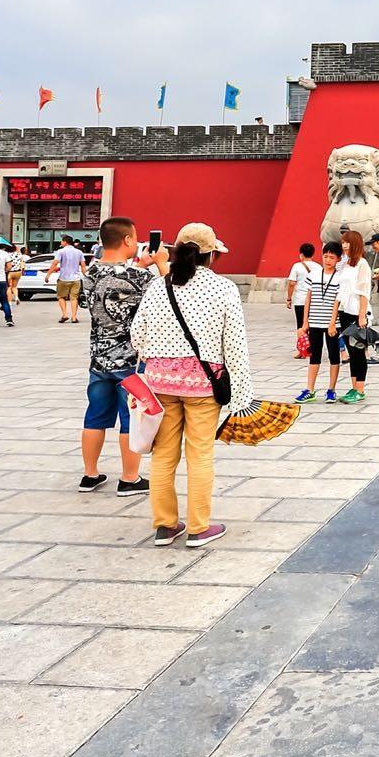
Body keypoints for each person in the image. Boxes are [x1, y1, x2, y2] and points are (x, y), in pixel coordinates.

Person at [130, 222, 252, 548]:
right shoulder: (224, 289)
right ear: (212, 256)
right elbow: (235, 345)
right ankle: (199, 527)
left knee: (163, 456)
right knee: (200, 455)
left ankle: (165, 525)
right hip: (203, 384)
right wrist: (241, 394)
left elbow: (136, 337)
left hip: (160, 384)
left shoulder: (158, 286)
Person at [78, 217, 167, 495]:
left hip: (98, 358)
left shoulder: (89, 273)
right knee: (131, 418)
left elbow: (86, 302)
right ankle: (129, 478)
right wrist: (161, 263)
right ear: (128, 240)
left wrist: (140, 266)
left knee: (94, 417)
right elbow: (169, 296)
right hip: (130, 361)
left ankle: (90, 475)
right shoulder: (139, 278)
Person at [295, 241, 346, 403]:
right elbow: (308, 298)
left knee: (333, 356)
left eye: (332, 257)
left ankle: (331, 390)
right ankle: (309, 389)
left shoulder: (340, 278)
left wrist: (332, 323)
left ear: (338, 259)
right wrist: (305, 322)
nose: (328, 260)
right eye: (325, 256)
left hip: (332, 324)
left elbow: (338, 302)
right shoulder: (314, 275)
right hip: (315, 322)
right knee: (314, 356)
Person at [332, 229, 372, 401]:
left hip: (357, 312)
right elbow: (341, 290)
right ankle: (354, 386)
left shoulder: (362, 264)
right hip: (345, 311)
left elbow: (364, 291)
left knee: (358, 351)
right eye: (342, 242)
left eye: (346, 241)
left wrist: (362, 316)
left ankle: (360, 389)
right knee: (350, 351)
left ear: (354, 243)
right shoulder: (346, 264)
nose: (344, 244)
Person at [49, 235, 87, 324]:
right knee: (74, 298)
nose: (61, 243)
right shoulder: (79, 252)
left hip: (64, 278)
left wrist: (48, 275)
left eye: (62, 241)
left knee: (61, 297)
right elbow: (83, 265)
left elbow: (54, 263)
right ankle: (74, 317)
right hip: (76, 279)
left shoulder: (60, 251)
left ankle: (65, 314)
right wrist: (85, 276)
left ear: (65, 242)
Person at [285, 242, 318, 334]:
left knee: (301, 325)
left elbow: (291, 283)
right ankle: (312, 345)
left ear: (301, 254)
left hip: (300, 300)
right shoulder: (318, 267)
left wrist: (289, 298)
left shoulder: (297, 266)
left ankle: (302, 346)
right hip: (313, 300)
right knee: (313, 326)